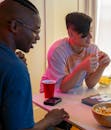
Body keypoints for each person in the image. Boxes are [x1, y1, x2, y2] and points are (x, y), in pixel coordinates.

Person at [0, 0, 69, 130]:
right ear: (14, 26)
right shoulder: (15, 70)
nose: (37, 37)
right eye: (35, 31)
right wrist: (49, 120)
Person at [40, 12, 111, 93]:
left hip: (73, 92)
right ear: (71, 33)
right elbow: (62, 88)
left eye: (90, 31)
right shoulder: (57, 51)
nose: (90, 36)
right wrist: (81, 67)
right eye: (85, 33)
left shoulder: (92, 49)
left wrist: (102, 66)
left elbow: (90, 84)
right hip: (51, 93)